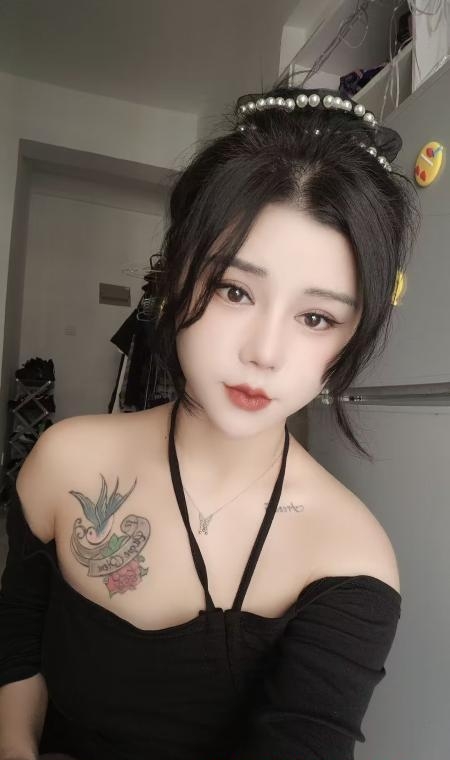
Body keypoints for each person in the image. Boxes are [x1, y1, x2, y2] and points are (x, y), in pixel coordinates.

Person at [0, 86, 420, 760]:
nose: (265, 352)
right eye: (234, 290)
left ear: (351, 338)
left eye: (316, 317)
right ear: (177, 278)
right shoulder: (65, 461)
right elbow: (18, 639)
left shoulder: (351, 559)